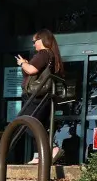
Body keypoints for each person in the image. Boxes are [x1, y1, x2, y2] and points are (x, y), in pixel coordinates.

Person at [14, 29, 65, 164]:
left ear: (42, 40)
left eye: (35, 41)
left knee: (25, 122)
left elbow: (32, 70)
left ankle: (52, 148)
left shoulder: (43, 53)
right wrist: (27, 64)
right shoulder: (52, 55)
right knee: (37, 125)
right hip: (43, 96)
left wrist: (23, 63)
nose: (33, 44)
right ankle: (39, 155)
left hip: (36, 96)